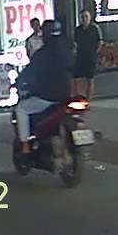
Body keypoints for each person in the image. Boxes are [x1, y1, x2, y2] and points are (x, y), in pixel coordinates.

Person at [14, 19, 74, 152]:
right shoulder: (67, 51)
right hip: (65, 97)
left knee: (21, 109)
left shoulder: (41, 55)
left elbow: (28, 73)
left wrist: (19, 82)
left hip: (46, 98)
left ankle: (25, 145)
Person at [73, 10, 101, 100]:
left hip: (91, 56)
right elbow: (75, 43)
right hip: (80, 57)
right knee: (76, 78)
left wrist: (95, 53)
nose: (84, 19)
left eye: (86, 16)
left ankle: (88, 99)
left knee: (90, 79)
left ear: (89, 17)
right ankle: (78, 99)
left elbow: (100, 42)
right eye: (82, 17)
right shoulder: (77, 30)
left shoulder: (94, 29)